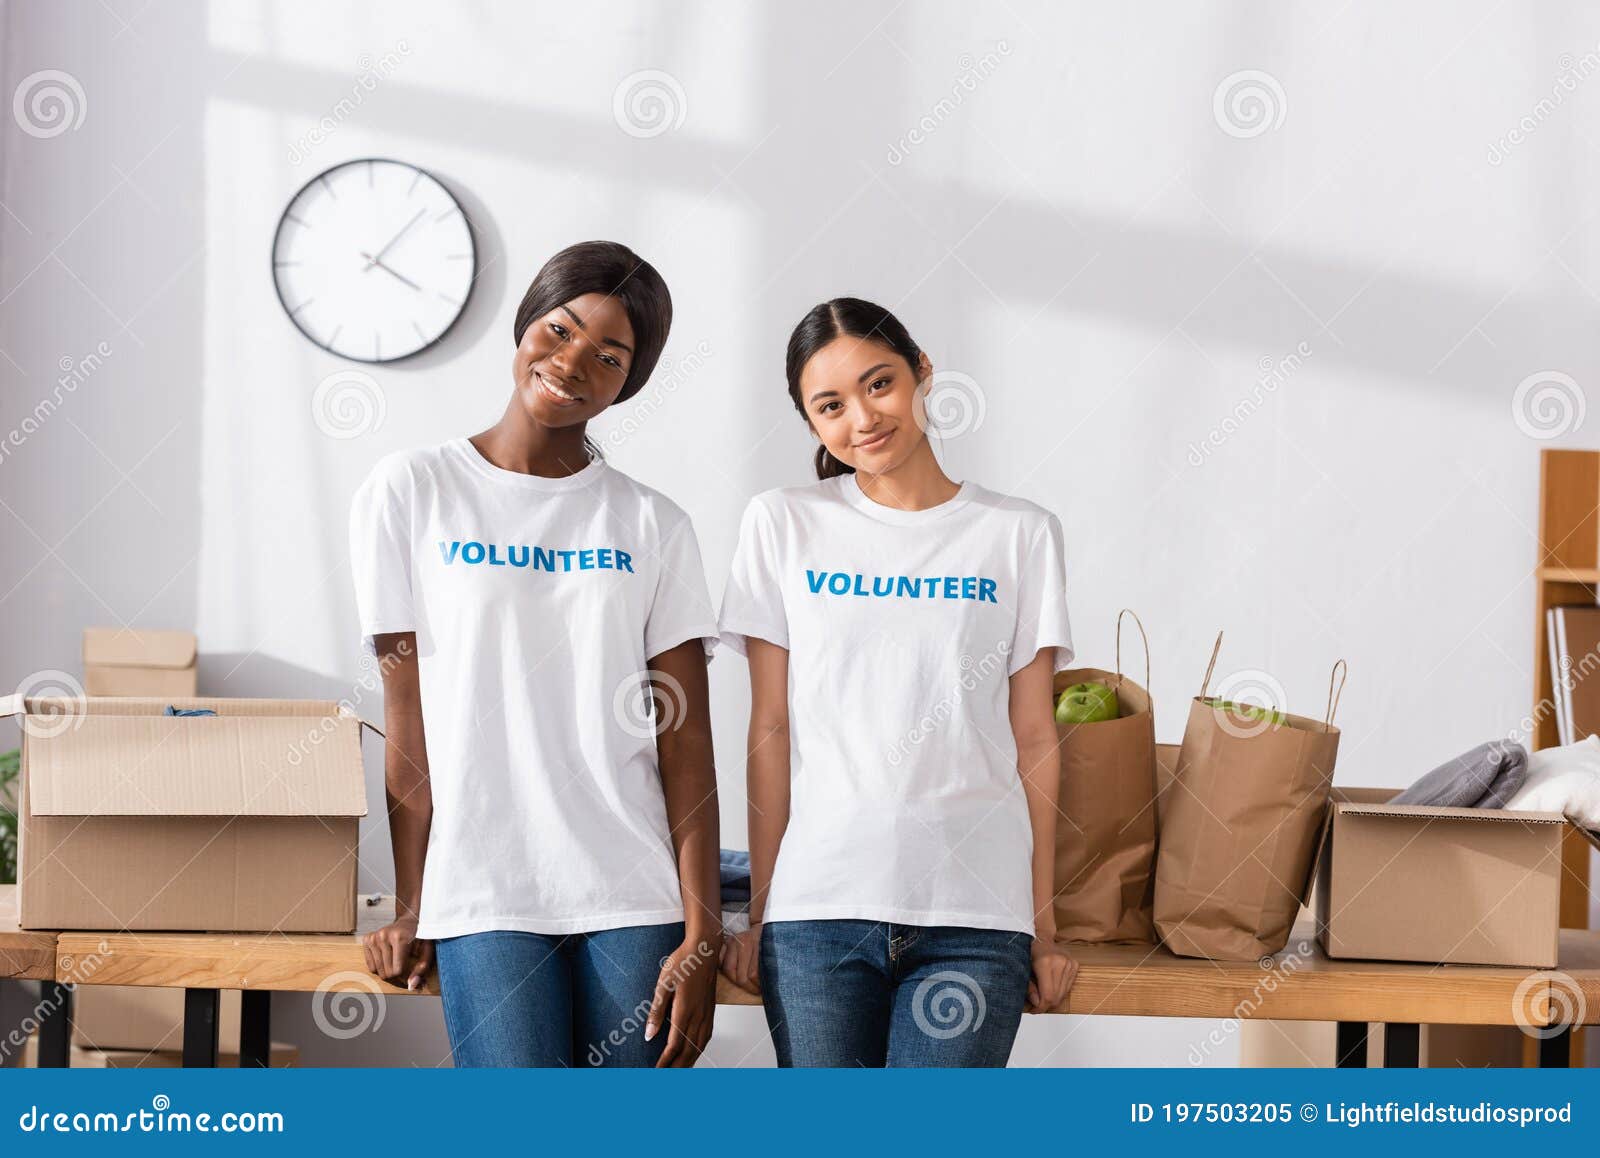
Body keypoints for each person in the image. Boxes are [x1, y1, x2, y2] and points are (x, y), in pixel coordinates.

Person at [351, 241, 721, 1067]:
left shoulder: (652, 525)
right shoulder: (411, 490)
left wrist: (702, 929)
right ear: (524, 324)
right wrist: (415, 901)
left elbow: (685, 743)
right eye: (558, 331)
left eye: (608, 355)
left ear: (631, 379)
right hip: (483, 891)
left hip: (631, 893)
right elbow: (407, 722)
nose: (572, 363)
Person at [718, 297, 1079, 1067]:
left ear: (922, 374)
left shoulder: (1018, 534)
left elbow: (1037, 737)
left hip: (976, 915)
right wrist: (760, 910)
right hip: (817, 911)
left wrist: (1042, 926)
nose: (863, 418)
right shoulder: (782, 524)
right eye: (831, 406)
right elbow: (769, 728)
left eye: (879, 384)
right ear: (811, 423)